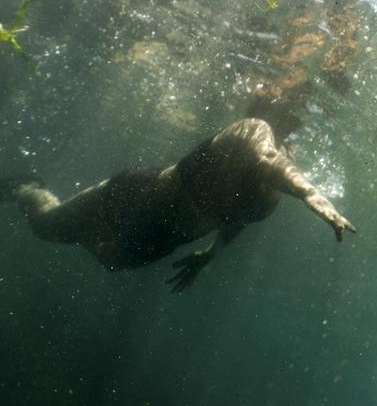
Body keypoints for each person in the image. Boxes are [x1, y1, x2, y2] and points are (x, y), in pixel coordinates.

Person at [1, 118, 355, 291]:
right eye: (287, 147)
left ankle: (83, 228)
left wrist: (210, 254)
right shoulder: (249, 135)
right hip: (135, 197)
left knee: (108, 259)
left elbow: (235, 220)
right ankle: (28, 188)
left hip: (162, 238)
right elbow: (268, 160)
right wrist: (310, 194)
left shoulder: (269, 201)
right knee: (45, 226)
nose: (290, 153)